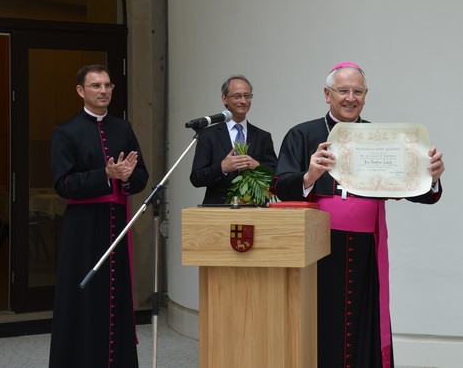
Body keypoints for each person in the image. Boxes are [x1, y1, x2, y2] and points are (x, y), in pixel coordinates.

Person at [274, 62, 445, 368]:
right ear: (327, 94)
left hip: (366, 248)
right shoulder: (301, 134)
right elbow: (280, 187)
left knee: (364, 320)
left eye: (358, 91)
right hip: (317, 248)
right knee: (319, 319)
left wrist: (430, 177)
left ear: (366, 96)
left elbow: (416, 190)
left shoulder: (381, 138)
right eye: (343, 90)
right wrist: (309, 175)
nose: (350, 97)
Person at [49, 64, 149, 368]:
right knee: (83, 299)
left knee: (115, 298)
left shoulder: (123, 128)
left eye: (107, 85)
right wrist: (104, 175)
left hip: (118, 223)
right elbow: (63, 184)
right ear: (81, 90)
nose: (103, 91)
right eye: (96, 86)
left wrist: (129, 177)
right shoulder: (66, 131)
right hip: (83, 228)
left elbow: (141, 174)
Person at [189, 75, 277, 204]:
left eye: (247, 96)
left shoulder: (263, 136)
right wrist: (222, 168)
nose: (243, 101)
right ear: (224, 99)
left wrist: (257, 167)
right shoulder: (209, 134)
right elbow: (196, 178)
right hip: (218, 209)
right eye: (237, 96)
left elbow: (277, 177)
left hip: (254, 208)